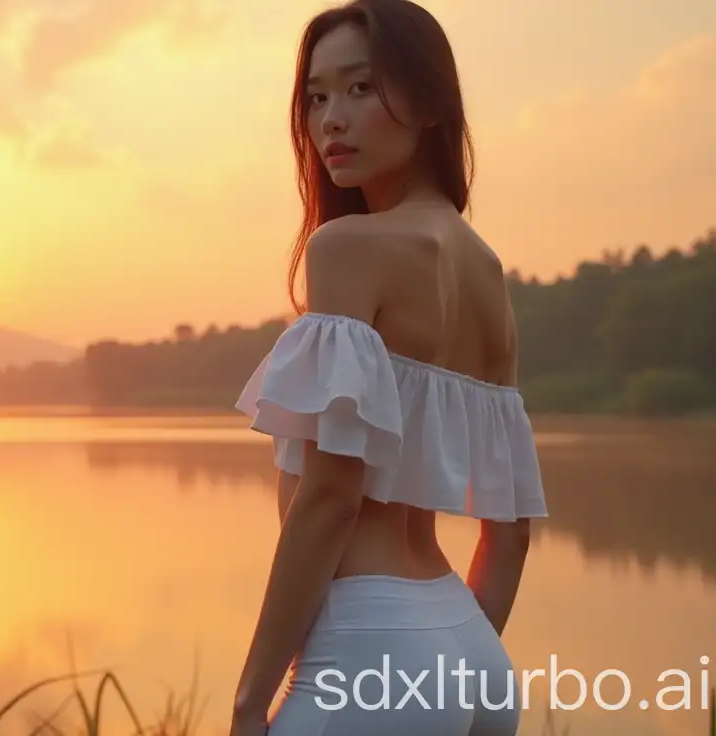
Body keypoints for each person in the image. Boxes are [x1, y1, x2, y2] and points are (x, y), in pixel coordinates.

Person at [227, 1, 549, 734]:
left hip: (370, 643)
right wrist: (454, 663)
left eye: (361, 88)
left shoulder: (347, 248)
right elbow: (511, 533)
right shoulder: (488, 272)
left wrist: (250, 704)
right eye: (316, 97)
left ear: (431, 102)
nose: (330, 119)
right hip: (467, 643)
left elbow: (330, 499)